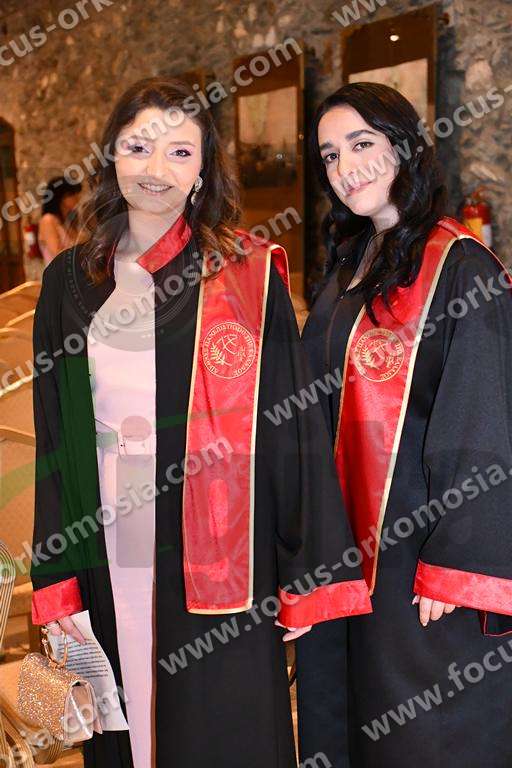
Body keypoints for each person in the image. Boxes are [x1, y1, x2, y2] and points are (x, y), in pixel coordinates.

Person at [29, 77, 371, 768]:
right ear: (111, 155)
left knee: (219, 722)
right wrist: (56, 576)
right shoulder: (69, 280)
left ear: (204, 168)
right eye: (138, 147)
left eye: (180, 152)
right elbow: (57, 441)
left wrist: (305, 572)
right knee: (125, 713)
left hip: (222, 548)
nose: (156, 169)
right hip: (109, 536)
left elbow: (291, 433)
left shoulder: (245, 275)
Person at [295, 82, 512, 768]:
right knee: (348, 722)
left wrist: (456, 563)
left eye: (361, 143)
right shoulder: (350, 266)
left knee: (423, 735)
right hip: (346, 551)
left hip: (420, 558)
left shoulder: (462, 266)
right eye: (330, 155)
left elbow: (483, 413)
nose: (345, 167)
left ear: (405, 147)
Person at [37, 176, 82, 266]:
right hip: (58, 273)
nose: (77, 197)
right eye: (72, 194)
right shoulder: (48, 220)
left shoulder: (68, 220)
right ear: (60, 198)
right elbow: (57, 254)